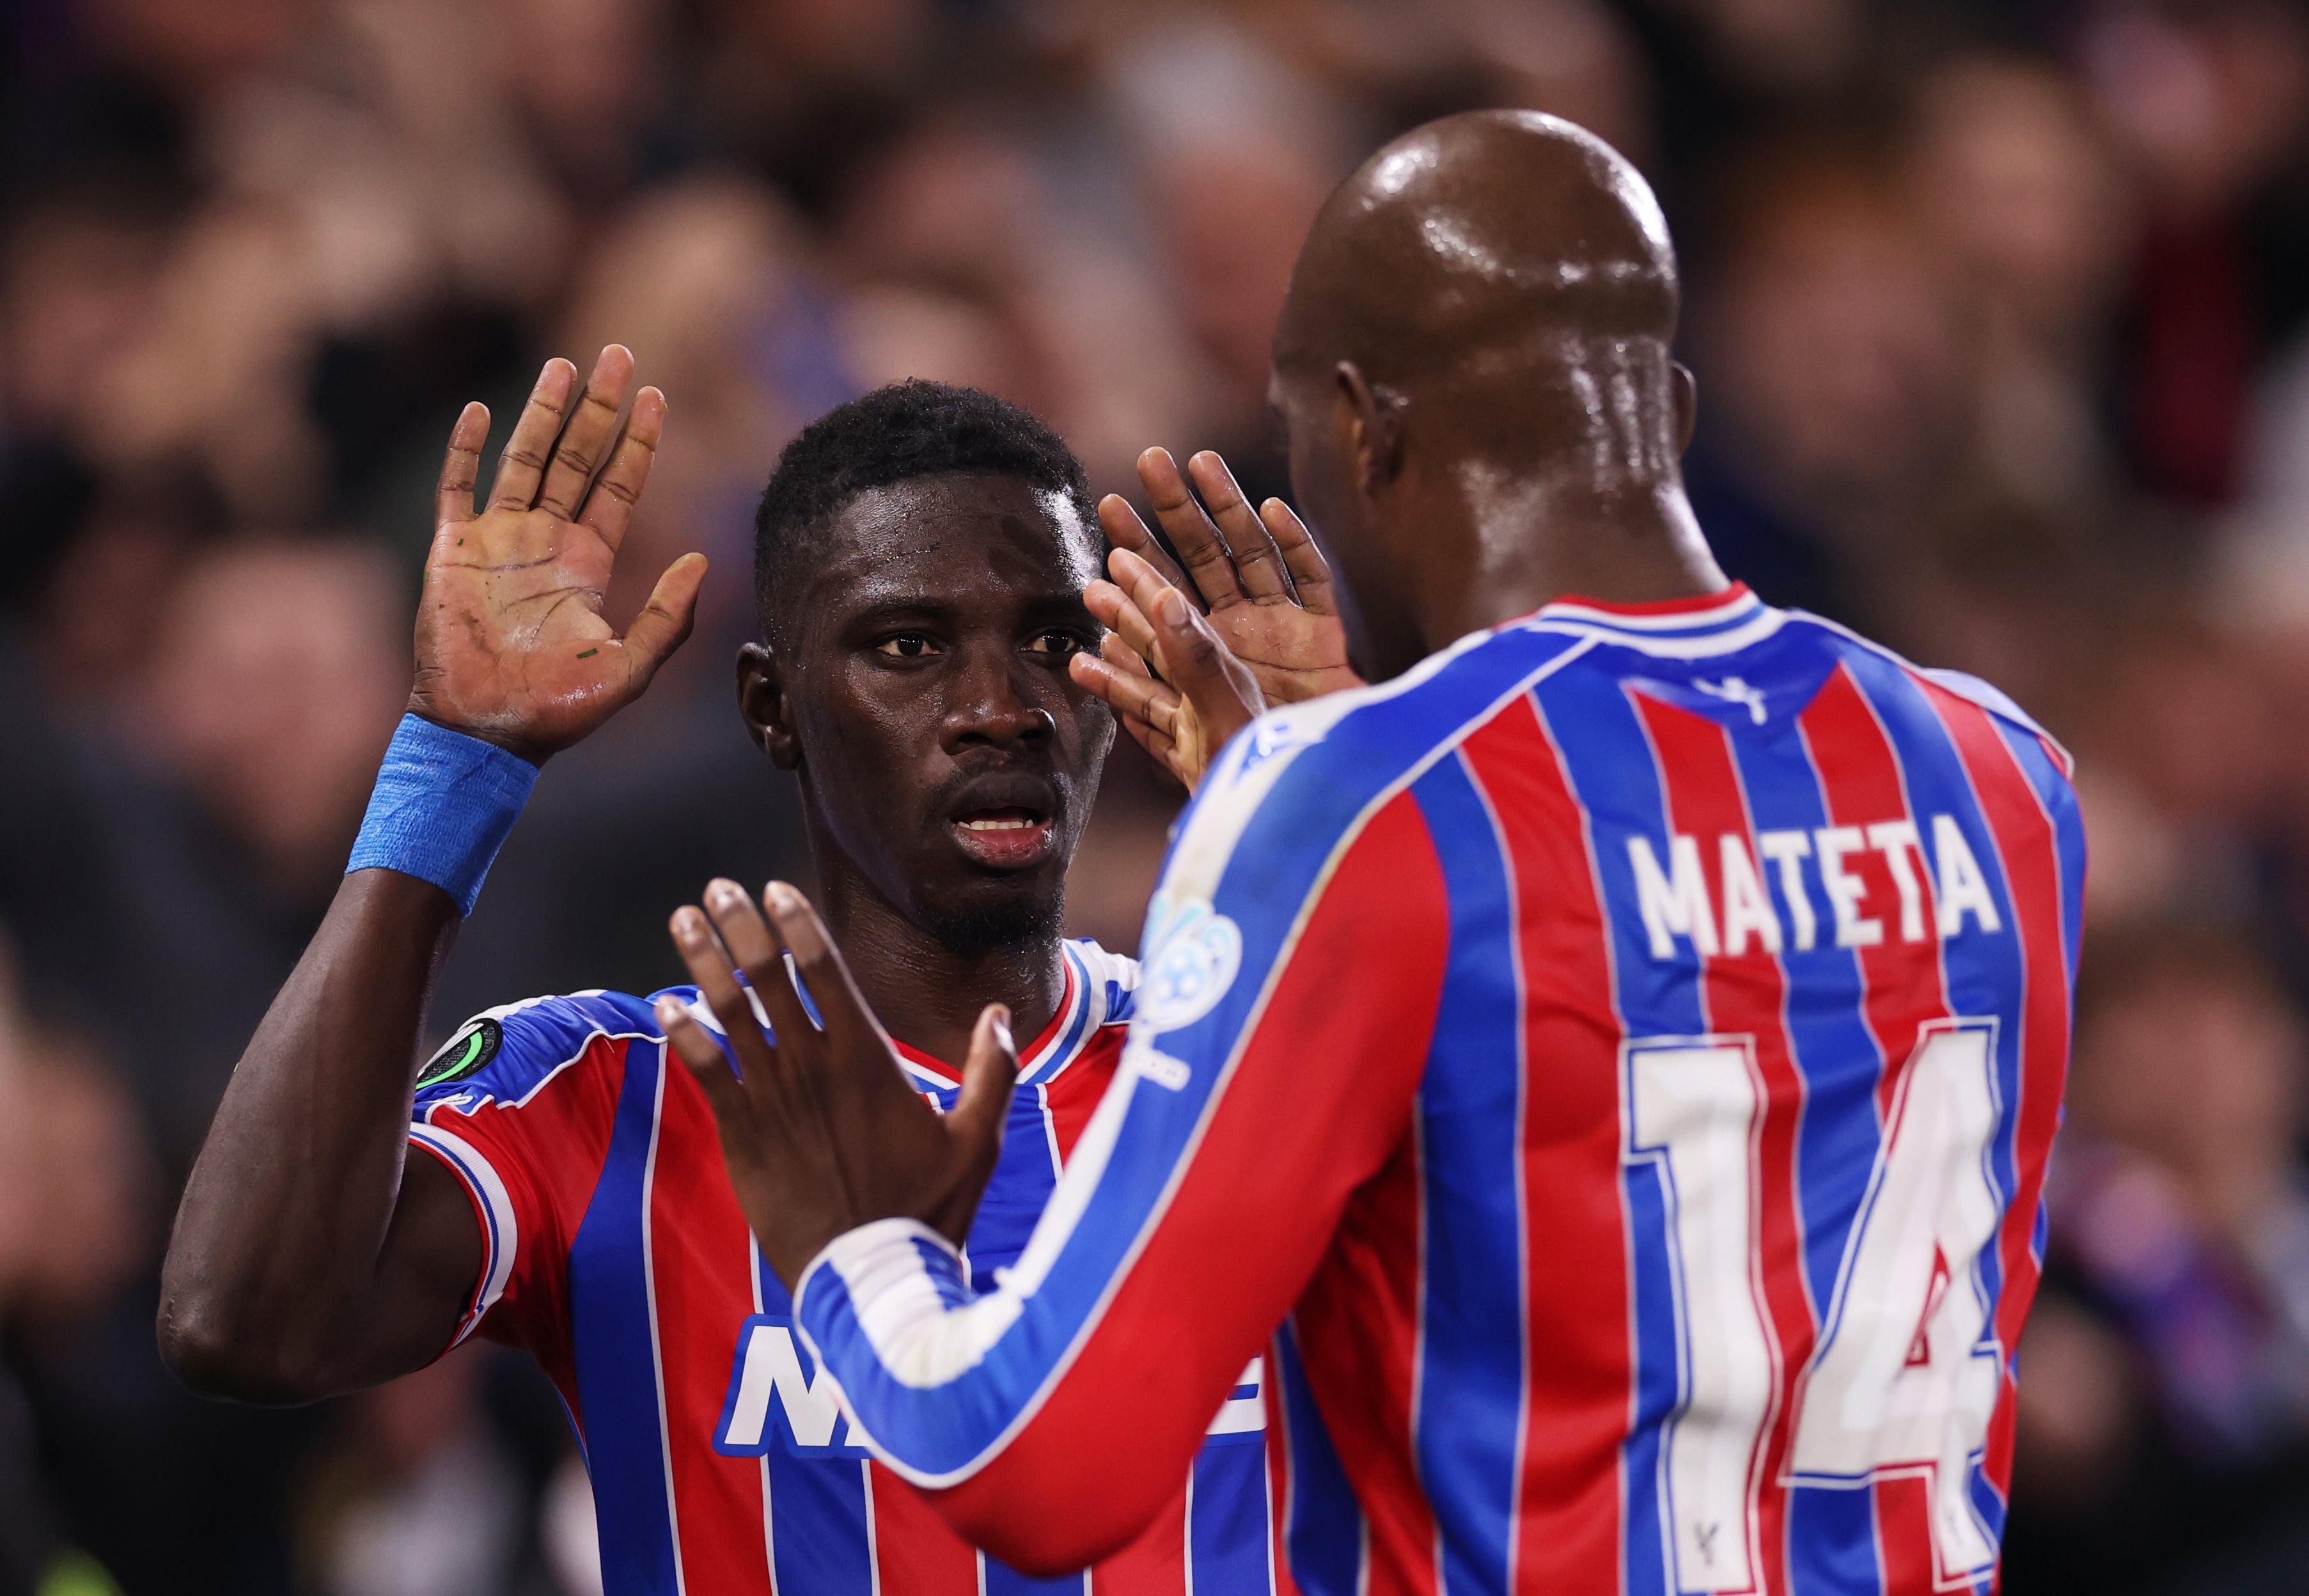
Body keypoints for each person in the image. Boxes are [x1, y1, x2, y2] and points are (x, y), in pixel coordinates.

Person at [651, 112, 2087, 1595]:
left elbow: (1041, 1467)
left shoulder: (1364, 807)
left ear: (1360, 424)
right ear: (1664, 405)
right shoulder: (2000, 774)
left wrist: (853, 1251)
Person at [157, 358, 1327, 1593]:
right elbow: (246, 1321)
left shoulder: (1268, 1066)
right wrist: (450, 767)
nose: (1000, 707)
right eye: (910, 644)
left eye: (1049, 642)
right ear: (773, 708)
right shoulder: (609, 1095)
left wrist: (1329, 829)